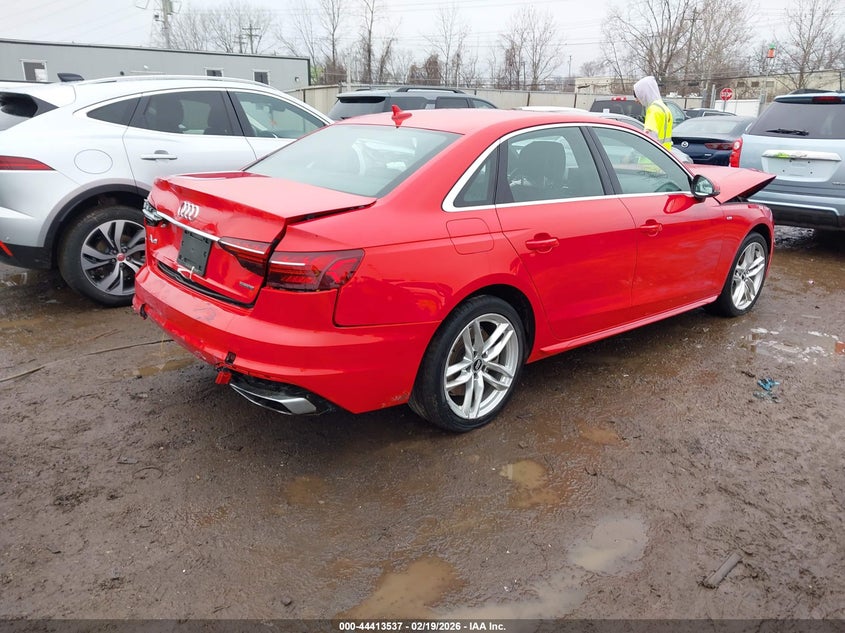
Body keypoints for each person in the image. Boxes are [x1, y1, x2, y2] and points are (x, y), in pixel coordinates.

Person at [633, 76, 674, 150]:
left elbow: (649, 139)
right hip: (665, 156)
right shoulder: (664, 108)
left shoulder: (653, 110)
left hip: (649, 159)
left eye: (637, 96)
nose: (636, 100)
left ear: (644, 93)